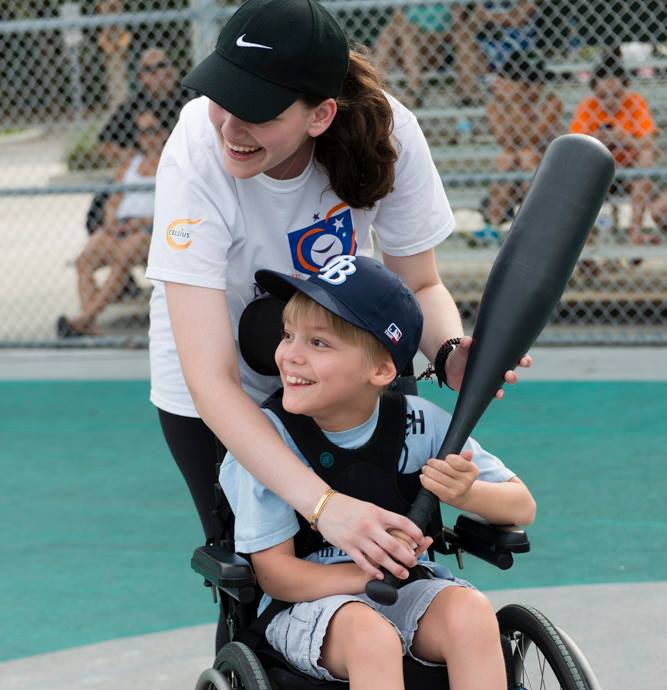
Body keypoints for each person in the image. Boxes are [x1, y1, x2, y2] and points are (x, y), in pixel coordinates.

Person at [144, 0, 531, 653]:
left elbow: (421, 282)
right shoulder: (196, 151)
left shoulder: (388, 131)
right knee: (257, 570)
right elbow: (211, 383)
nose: (230, 126)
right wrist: (325, 507)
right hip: (216, 379)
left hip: (345, 358)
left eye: (259, 111)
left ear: (319, 114)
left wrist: (445, 349)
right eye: (221, 97)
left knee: (396, 543)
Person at [219, 254, 562, 690]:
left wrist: (470, 493)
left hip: (402, 590)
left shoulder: (421, 425)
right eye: (288, 337)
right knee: (369, 634)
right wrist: (364, 575)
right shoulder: (264, 441)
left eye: (318, 342)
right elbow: (277, 575)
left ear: (381, 370)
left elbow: (520, 507)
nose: (289, 355)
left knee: (468, 611)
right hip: (307, 604)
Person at [57, 110, 168, 338]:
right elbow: (114, 199)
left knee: (122, 258)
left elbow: (172, 208)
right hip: (119, 225)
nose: (147, 137)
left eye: (152, 131)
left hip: (148, 228)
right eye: (142, 132)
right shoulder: (130, 164)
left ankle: (83, 319)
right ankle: (88, 323)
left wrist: (140, 223)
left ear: (164, 132)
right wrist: (110, 223)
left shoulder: (171, 162)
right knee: (83, 261)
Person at [86, 48, 190, 238]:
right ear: (142, 77)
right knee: (102, 198)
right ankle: (111, 240)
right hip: (143, 166)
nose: (158, 73)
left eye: (162, 65)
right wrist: (129, 157)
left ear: (171, 70)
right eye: (149, 69)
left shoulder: (188, 99)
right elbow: (104, 144)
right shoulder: (133, 104)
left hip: (180, 167)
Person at [570, 53, 662, 245]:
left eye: (617, 95)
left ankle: (635, 233)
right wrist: (596, 140)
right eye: (603, 96)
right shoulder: (588, 106)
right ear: (594, 92)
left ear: (626, 89)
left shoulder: (635, 102)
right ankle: (586, 245)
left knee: (646, 156)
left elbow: (650, 145)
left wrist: (624, 139)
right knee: (580, 169)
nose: (610, 101)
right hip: (598, 173)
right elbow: (574, 148)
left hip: (630, 171)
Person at [477, 52, 562, 242]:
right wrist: (511, 102)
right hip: (512, 170)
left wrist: (513, 104)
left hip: (545, 167)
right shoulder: (495, 106)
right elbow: (504, 141)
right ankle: (493, 227)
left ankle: (536, 224)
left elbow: (532, 138)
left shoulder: (550, 102)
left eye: (538, 81)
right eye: (528, 82)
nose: (536, 87)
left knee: (526, 155)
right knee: (508, 157)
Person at [373, 4, 453, 108]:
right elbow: (397, 20)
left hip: (438, 48)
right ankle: (379, 87)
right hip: (405, 48)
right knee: (391, 30)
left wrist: (423, 34)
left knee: (405, 30)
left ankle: (412, 90)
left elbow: (457, 27)